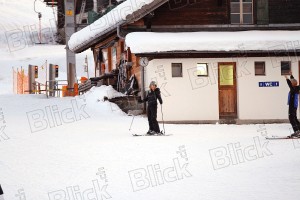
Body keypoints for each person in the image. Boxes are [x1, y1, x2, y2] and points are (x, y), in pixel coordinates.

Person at [285, 73, 300, 138]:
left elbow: (290, 84)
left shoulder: (293, 89)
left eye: (291, 82)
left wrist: (286, 78)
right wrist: (291, 76)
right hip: (294, 106)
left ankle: (296, 131)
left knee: (291, 118)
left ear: (292, 84)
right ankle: (298, 130)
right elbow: (293, 82)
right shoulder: (296, 88)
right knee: (295, 118)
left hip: (292, 106)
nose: (290, 83)